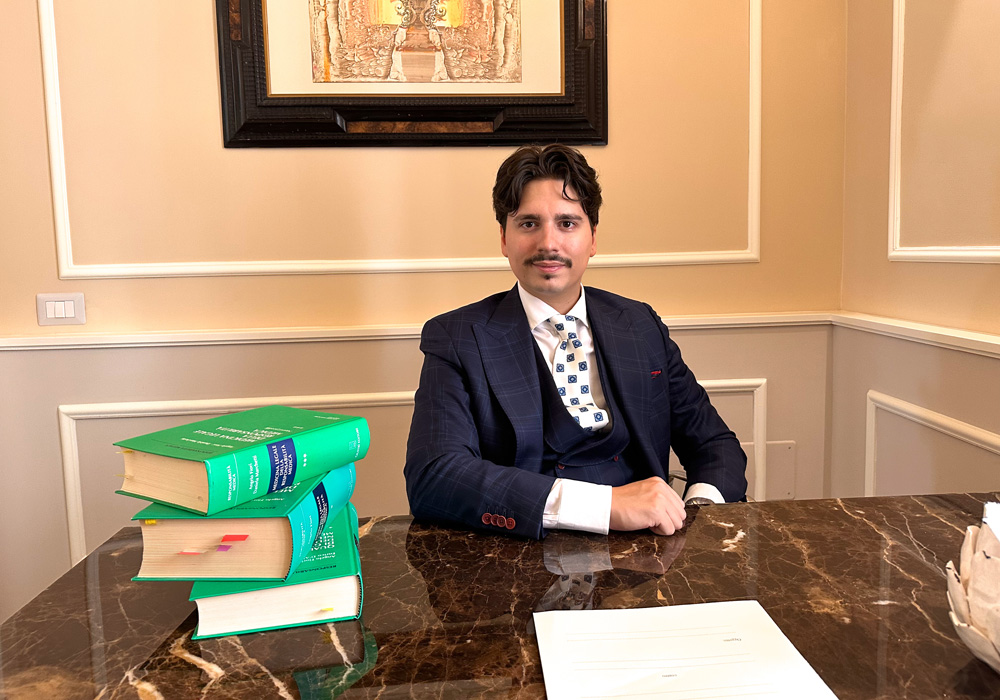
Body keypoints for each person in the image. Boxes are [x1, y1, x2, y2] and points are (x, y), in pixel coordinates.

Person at [404, 144, 747, 540]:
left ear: (593, 237)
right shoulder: (457, 337)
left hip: (650, 546)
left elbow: (715, 444)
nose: (548, 243)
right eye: (528, 223)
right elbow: (434, 474)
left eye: (567, 223)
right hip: (524, 550)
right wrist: (602, 507)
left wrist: (694, 514)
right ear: (503, 238)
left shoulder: (640, 324)